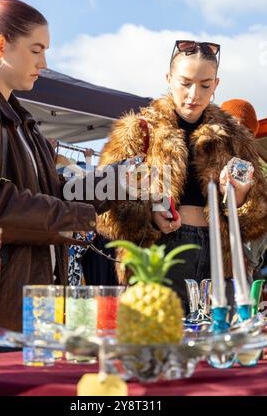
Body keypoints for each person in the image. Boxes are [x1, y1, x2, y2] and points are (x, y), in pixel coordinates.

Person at [0, 0, 112, 332]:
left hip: (32, 301)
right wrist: (79, 217)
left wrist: (115, 185)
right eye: (36, 50)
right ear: (1, 45)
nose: (44, 62)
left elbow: (50, 192)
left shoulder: (22, 121)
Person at [96, 40, 267, 311]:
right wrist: (148, 217)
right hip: (157, 260)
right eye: (185, 82)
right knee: (158, 348)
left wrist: (241, 197)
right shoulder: (137, 131)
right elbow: (103, 210)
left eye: (205, 84)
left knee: (218, 347)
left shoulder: (235, 137)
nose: (194, 94)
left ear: (216, 84)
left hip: (220, 263)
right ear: (168, 79)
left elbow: (257, 220)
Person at [221, 99, 267, 273]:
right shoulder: (202, 155)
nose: (238, 130)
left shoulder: (255, 173)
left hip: (241, 263)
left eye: (246, 129)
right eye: (232, 123)